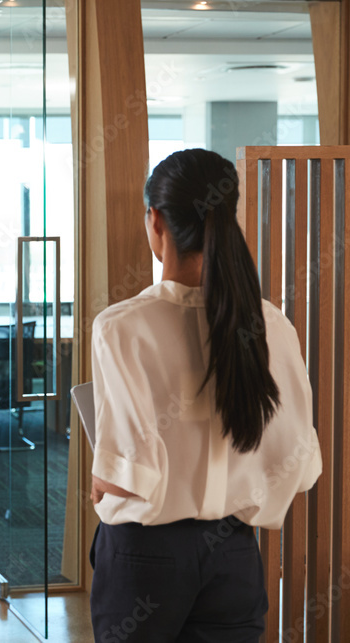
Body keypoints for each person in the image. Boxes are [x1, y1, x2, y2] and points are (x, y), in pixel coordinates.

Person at [89, 149, 322, 641]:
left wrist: (102, 478)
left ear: (156, 220)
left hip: (143, 560)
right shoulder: (272, 325)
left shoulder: (120, 328)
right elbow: (303, 467)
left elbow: (129, 476)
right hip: (234, 555)